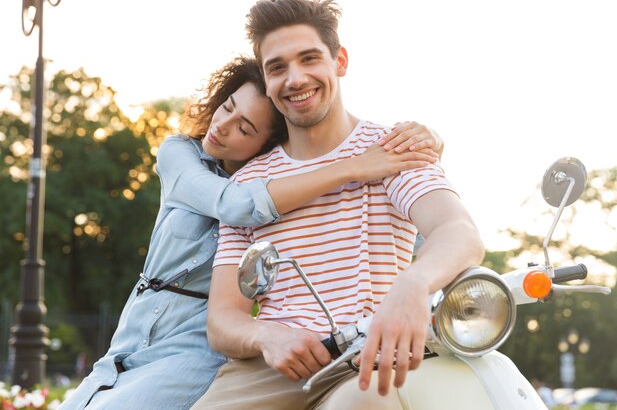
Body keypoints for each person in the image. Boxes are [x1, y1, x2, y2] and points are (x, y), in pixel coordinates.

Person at [58, 54, 443, 410]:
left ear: (265, 145)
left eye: (245, 127)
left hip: (200, 342)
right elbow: (236, 204)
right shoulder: (182, 154)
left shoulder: (281, 181)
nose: (222, 126)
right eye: (227, 107)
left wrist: (428, 144)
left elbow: (419, 229)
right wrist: (353, 166)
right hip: (135, 329)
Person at [190, 0, 484, 410]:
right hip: (270, 371)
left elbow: (459, 233)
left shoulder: (393, 148)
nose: (294, 79)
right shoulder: (251, 183)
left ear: (339, 62)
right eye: (277, 68)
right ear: (268, 82)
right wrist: (267, 335)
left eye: (309, 58)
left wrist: (414, 284)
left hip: (366, 358)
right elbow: (222, 320)